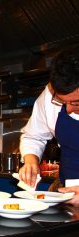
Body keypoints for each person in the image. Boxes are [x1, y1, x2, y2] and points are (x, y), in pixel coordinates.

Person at [19, 45, 79, 192]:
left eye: (76, 102)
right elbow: (33, 136)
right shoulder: (49, 95)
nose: (69, 109)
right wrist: (31, 159)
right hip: (67, 191)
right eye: (62, 102)